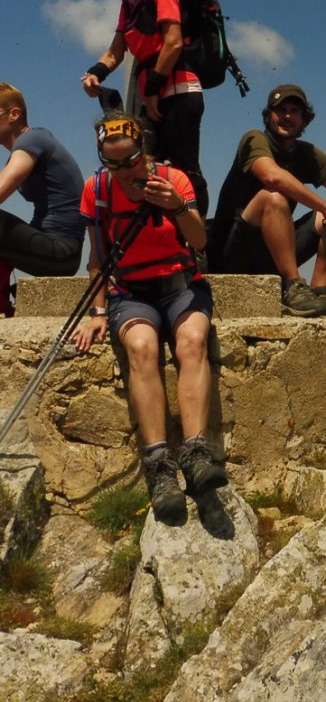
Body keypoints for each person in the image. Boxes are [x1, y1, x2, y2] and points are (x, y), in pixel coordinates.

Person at [72, 113, 227, 524]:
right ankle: (159, 466)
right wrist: (98, 311)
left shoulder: (175, 180)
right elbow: (98, 257)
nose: (124, 170)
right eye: (113, 162)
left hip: (182, 285)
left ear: (144, 150)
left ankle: (196, 454)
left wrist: (176, 206)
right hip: (131, 292)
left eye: (131, 160)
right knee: (141, 348)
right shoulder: (97, 190)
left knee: (192, 341)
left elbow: (199, 240)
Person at [208, 84, 326, 318]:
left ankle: (319, 292)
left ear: (304, 119)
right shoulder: (254, 139)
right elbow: (272, 176)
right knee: (273, 197)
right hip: (232, 250)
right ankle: (293, 286)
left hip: (274, 252)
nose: (287, 116)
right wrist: (324, 208)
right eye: (281, 110)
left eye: (294, 111)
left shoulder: (307, 153)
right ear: (268, 116)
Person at [81, 0, 209, 216]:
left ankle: (197, 232)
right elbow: (115, 52)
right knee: (147, 168)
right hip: (151, 93)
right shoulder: (129, 3)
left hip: (178, 89)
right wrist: (95, 73)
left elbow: (173, 42)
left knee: (185, 170)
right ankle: (159, 228)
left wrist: (152, 90)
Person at [0, 83, 85, 314]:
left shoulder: (33, 139)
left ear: (14, 114)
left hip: (62, 250)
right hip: (49, 249)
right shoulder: (20, 153)